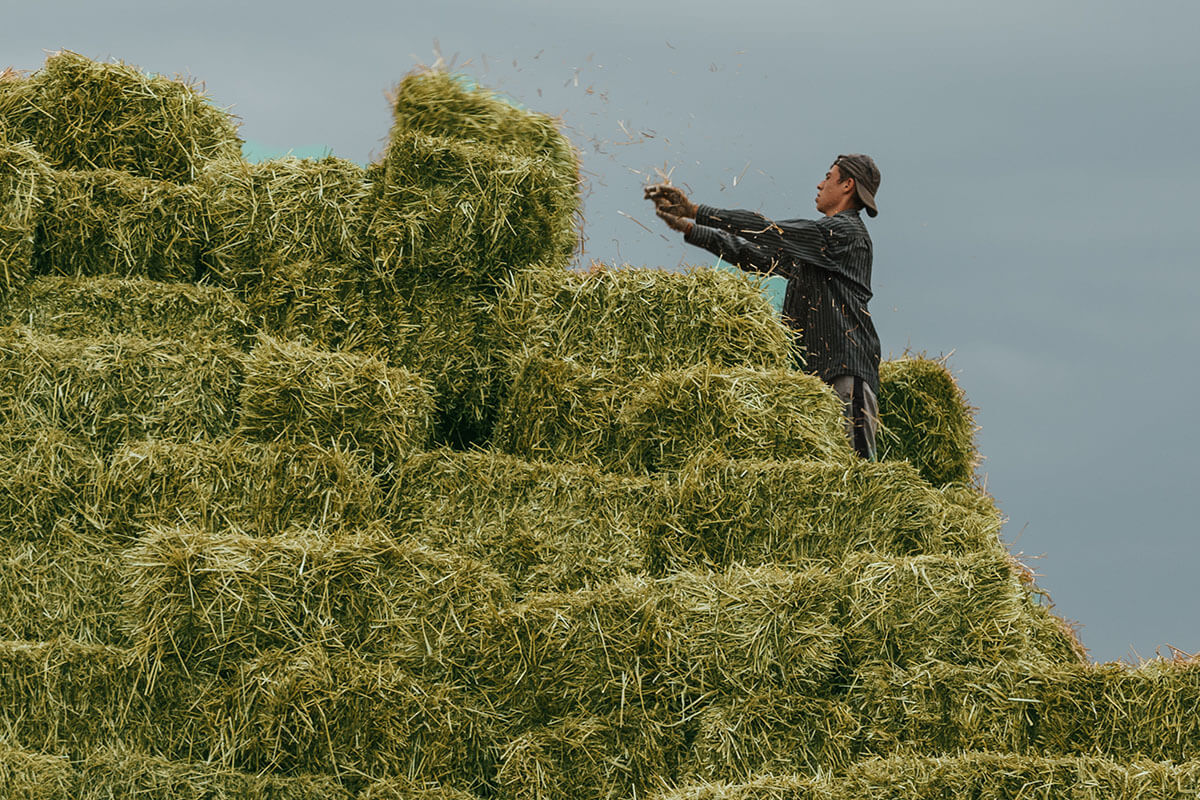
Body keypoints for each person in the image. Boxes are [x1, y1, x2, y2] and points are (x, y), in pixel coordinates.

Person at [644, 154, 882, 459]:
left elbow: (769, 231)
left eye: (828, 176)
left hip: (847, 370)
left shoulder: (844, 234)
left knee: (857, 468)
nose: (820, 184)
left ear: (847, 185)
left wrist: (696, 211)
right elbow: (755, 257)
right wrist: (690, 229)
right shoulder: (817, 249)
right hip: (818, 374)